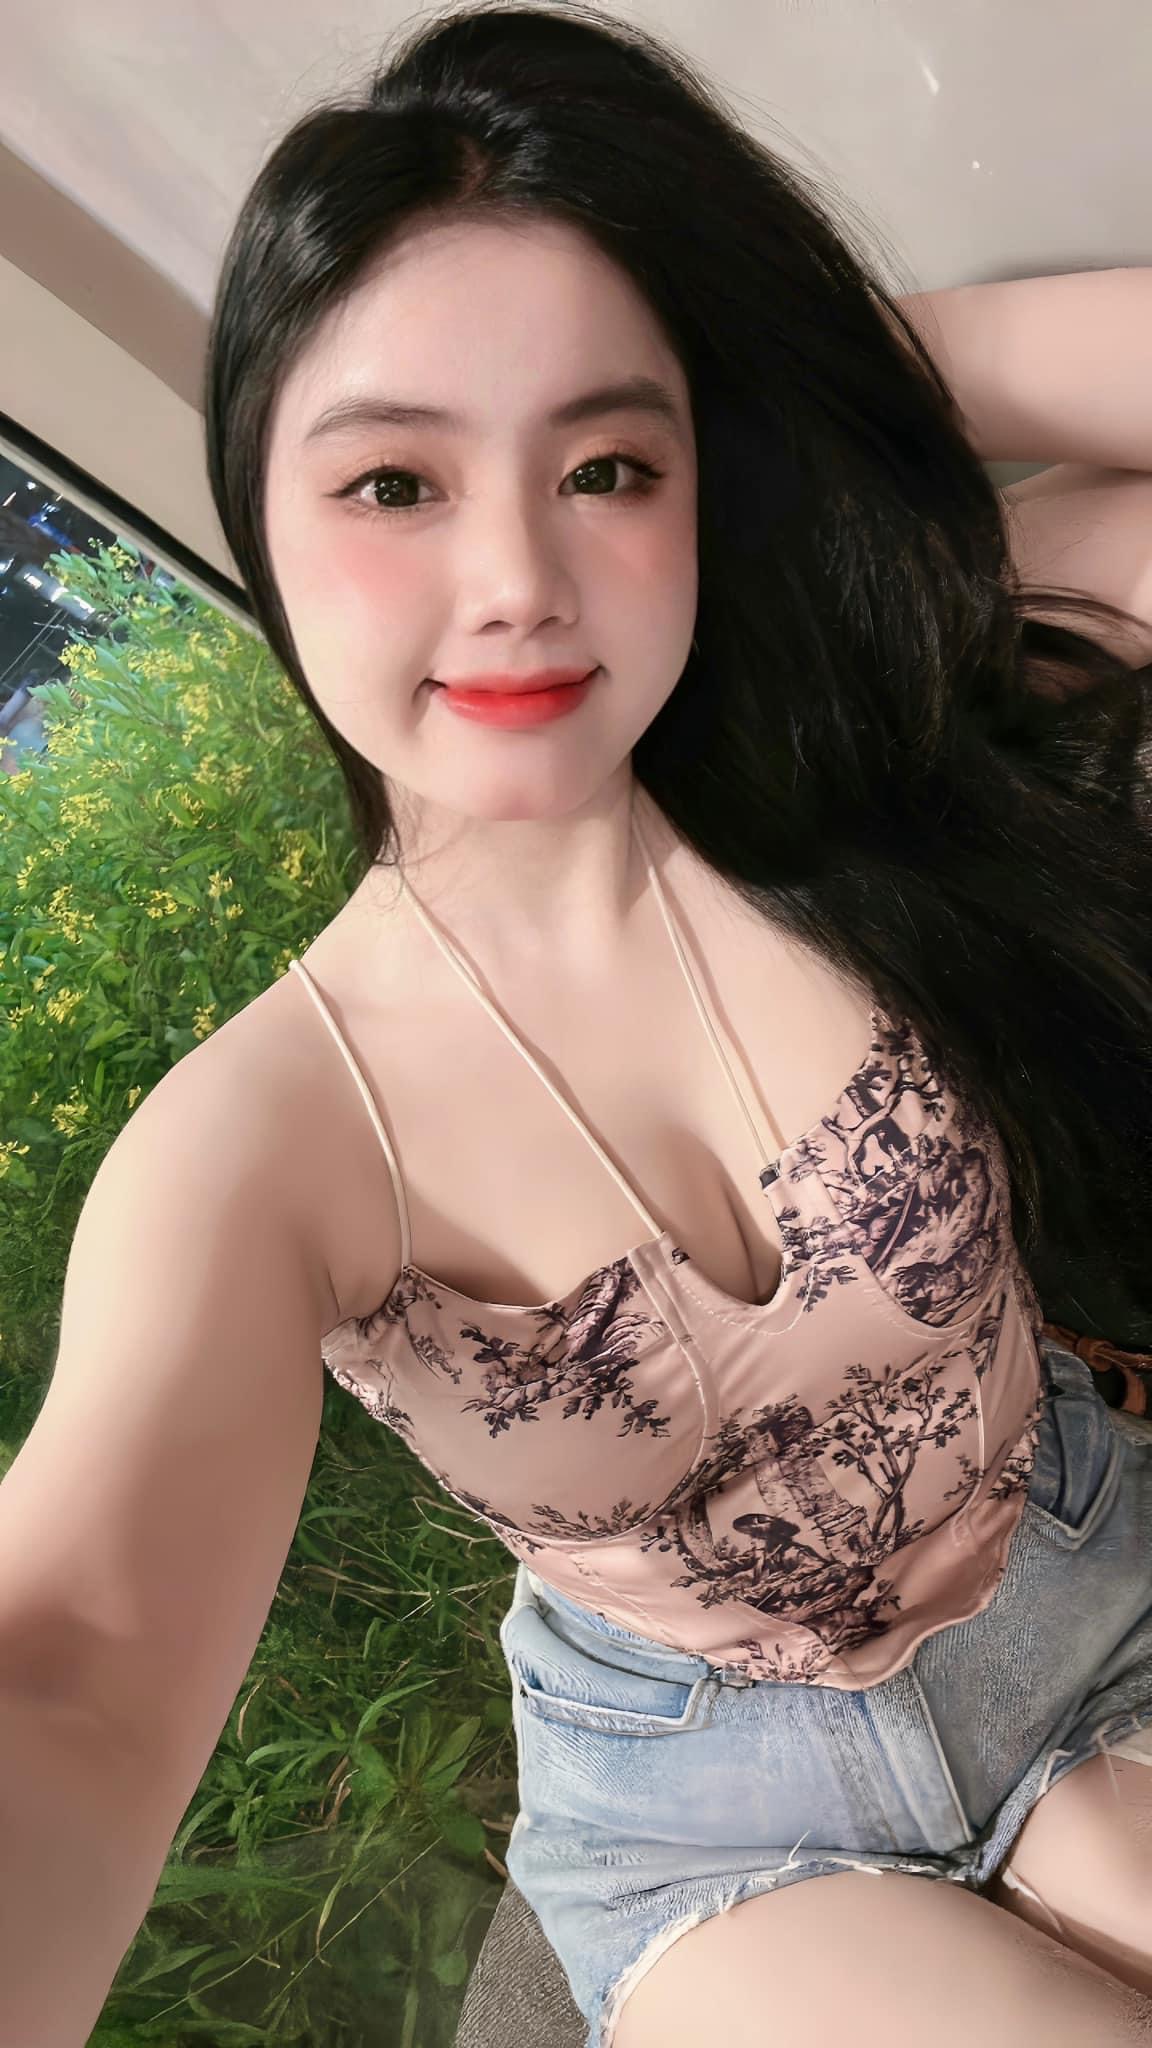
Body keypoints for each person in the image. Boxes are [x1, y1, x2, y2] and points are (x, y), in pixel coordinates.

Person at [2, 5, 1152, 2044]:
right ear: (260, 517)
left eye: (607, 463)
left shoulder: (863, 764)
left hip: (1087, 1588)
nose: (518, 577)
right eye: (394, 482)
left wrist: (810, 372)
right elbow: (74, 1653)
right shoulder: (271, 1136)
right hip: (713, 1812)